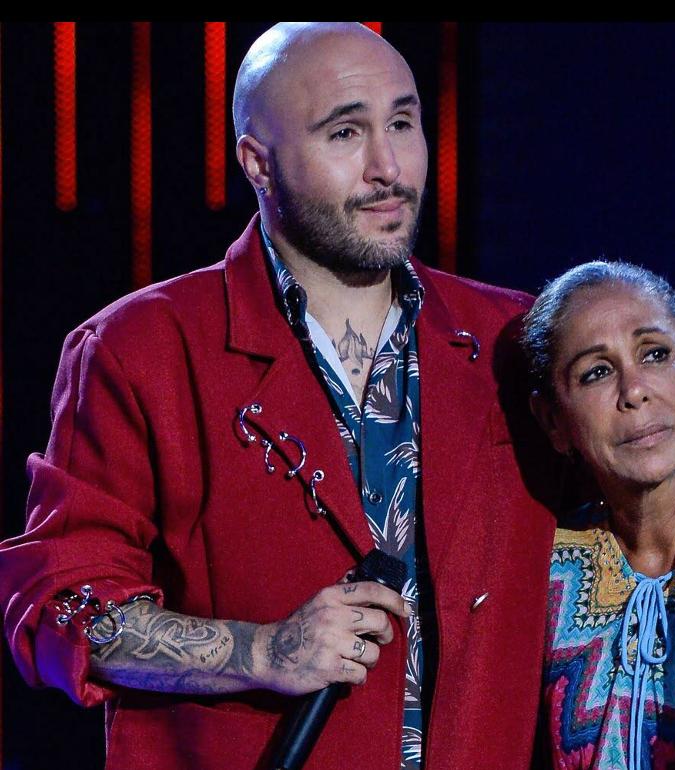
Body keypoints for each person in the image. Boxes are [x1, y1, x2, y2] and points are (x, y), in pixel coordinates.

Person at [0, 22, 555, 770]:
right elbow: (59, 607)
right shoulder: (141, 349)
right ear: (257, 162)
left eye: (402, 122)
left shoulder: (510, 337)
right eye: (345, 133)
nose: (389, 166)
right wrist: (263, 650)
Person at [522, 262, 675, 770]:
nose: (634, 390)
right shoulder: (542, 568)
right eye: (596, 371)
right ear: (553, 421)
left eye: (656, 354)